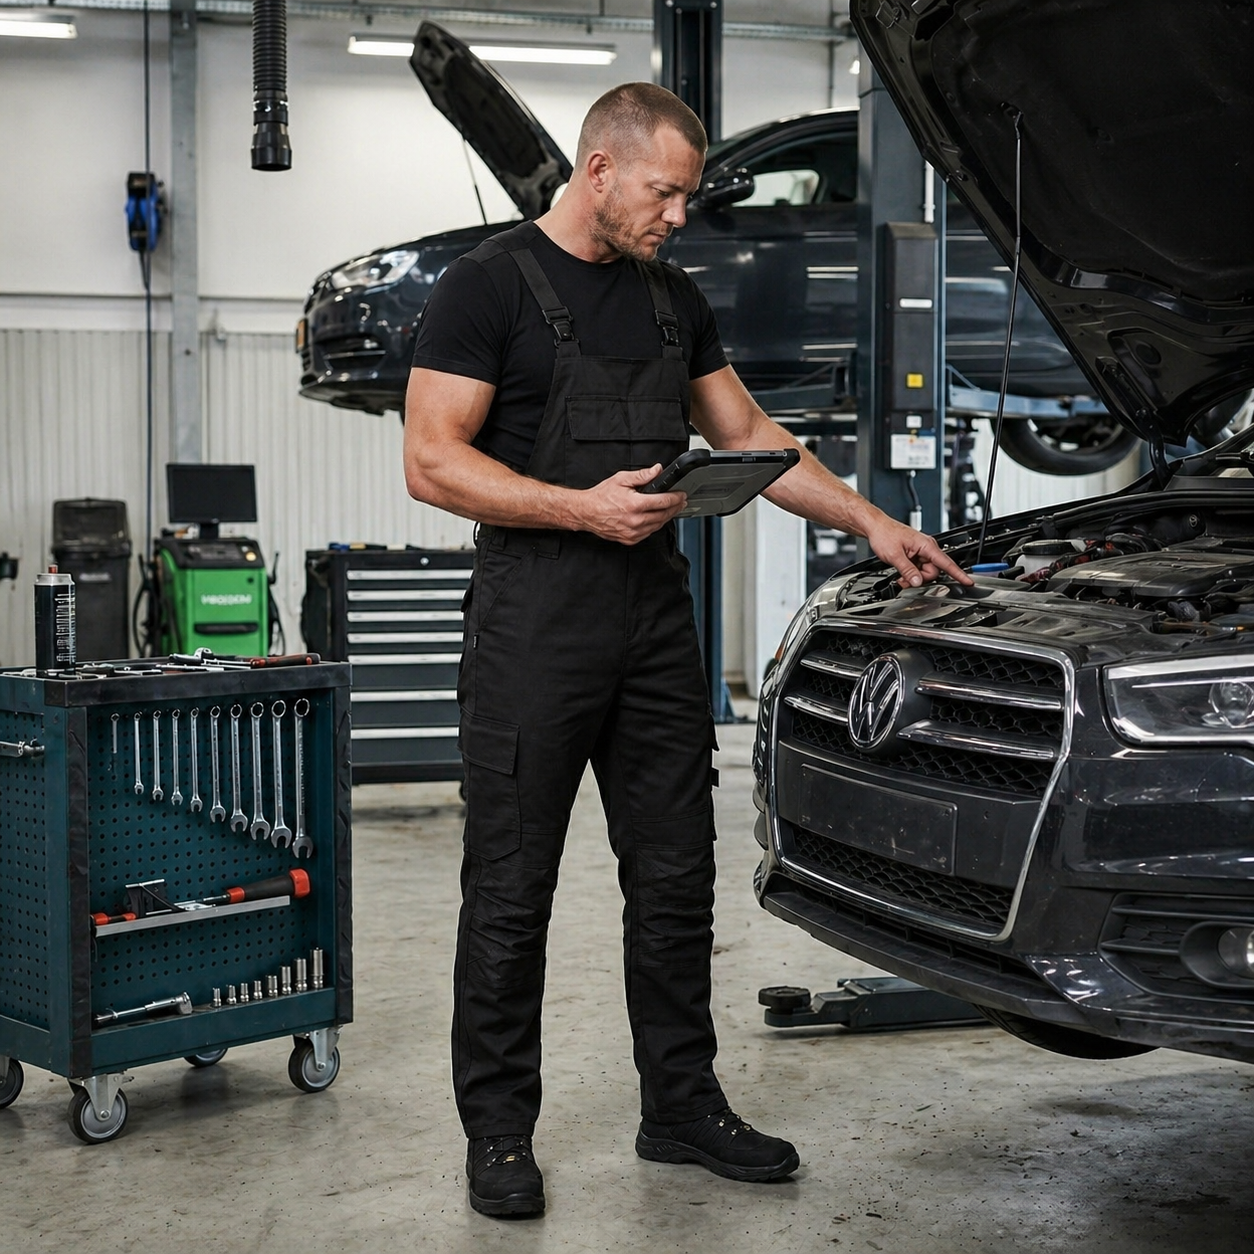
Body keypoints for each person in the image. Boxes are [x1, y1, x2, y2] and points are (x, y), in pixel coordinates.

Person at [404, 81, 971, 1219]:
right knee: (511, 888)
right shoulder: (487, 288)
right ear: (600, 169)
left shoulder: (673, 302)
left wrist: (871, 523)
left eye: (688, 197)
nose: (678, 217)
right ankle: (500, 1132)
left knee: (672, 878)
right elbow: (431, 461)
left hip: (653, 621)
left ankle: (680, 1105)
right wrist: (577, 508)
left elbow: (751, 437)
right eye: (665, 193)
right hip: (534, 619)